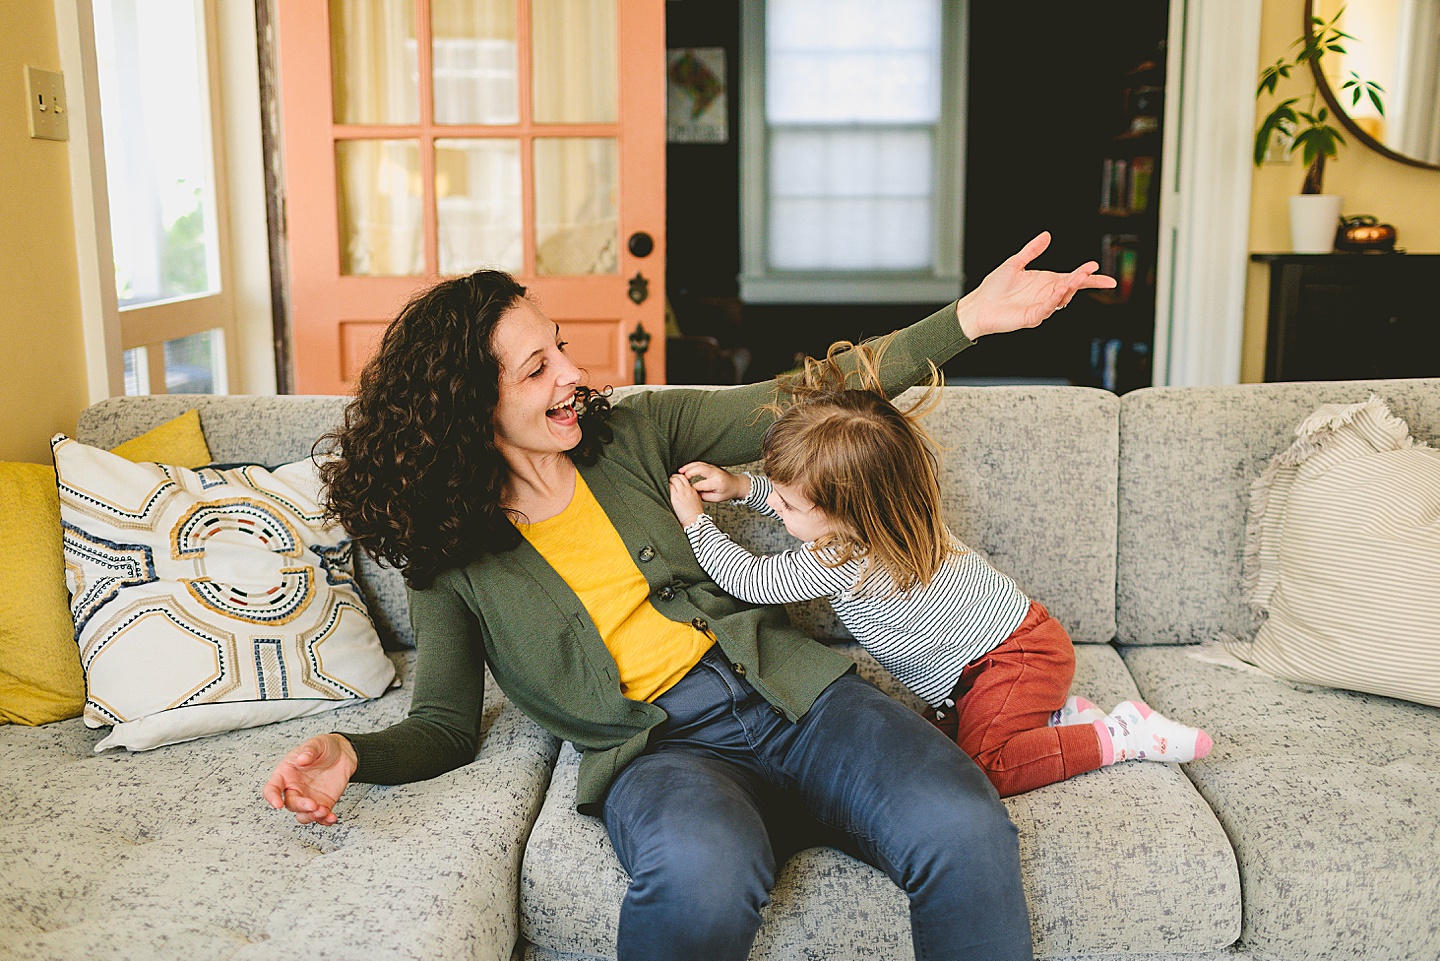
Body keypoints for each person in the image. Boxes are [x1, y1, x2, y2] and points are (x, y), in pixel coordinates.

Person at [263, 232, 1113, 961]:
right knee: (700, 878)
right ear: (468, 406)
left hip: (799, 697)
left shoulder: (635, 429)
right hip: (663, 758)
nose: (574, 372)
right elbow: (444, 726)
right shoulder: (448, 556)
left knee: (964, 828)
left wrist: (968, 319)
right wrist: (353, 753)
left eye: (559, 346)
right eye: (537, 367)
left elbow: (805, 395)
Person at [666, 343, 1213, 799]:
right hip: (984, 671)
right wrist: (740, 488)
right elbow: (808, 503)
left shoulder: (843, 559)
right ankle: (1054, 722)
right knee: (930, 753)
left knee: (988, 769)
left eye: (786, 507)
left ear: (850, 511)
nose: (778, 513)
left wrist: (696, 522)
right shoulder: (897, 514)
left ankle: (1122, 735)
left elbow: (750, 580)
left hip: (1015, 657)